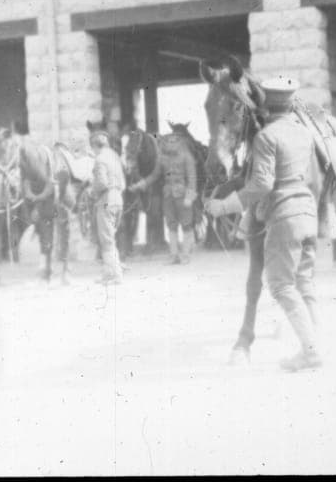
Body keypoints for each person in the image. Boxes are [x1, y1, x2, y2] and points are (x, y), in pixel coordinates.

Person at [205, 76, 321, 372]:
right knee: (304, 282)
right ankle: (315, 344)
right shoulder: (305, 134)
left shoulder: (266, 137)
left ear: (265, 103)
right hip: (309, 214)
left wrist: (224, 205)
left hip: (284, 217)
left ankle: (311, 352)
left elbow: (260, 185)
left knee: (281, 285)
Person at [130, 132, 198, 264]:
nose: (171, 144)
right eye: (169, 141)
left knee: (186, 225)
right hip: (168, 195)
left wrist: (190, 197)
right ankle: (173, 255)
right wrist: (141, 184)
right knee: (171, 225)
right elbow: (154, 176)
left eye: (174, 141)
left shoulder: (186, 157)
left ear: (179, 142)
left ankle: (185, 255)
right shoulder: (162, 158)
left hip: (183, 195)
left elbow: (192, 178)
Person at [89, 127, 126, 285]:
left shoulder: (100, 159)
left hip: (105, 200)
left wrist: (91, 191)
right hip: (118, 198)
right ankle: (108, 273)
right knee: (110, 238)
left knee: (106, 240)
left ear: (95, 146)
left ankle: (115, 275)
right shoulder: (114, 156)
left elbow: (102, 183)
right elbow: (123, 183)